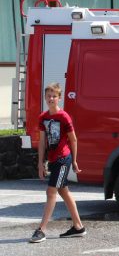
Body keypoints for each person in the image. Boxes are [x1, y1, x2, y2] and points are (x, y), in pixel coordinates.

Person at [29, 82, 86, 243]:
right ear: (45, 98)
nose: (51, 98)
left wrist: (74, 161)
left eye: (54, 96)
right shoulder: (43, 117)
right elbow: (41, 142)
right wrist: (40, 163)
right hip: (53, 159)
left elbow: (73, 140)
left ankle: (42, 230)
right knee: (63, 192)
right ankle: (78, 227)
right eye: (48, 96)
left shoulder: (64, 117)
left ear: (59, 98)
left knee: (51, 192)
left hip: (63, 158)